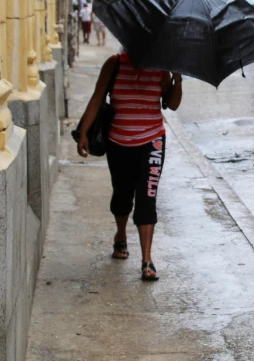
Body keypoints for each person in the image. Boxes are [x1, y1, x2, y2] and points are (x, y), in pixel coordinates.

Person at [76, 52, 183, 281]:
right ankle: (120, 235)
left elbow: (172, 105)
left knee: (147, 197)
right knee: (122, 195)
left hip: (152, 143)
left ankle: (147, 260)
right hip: (118, 143)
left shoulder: (161, 68)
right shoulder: (113, 64)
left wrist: (178, 80)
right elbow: (97, 98)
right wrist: (84, 131)